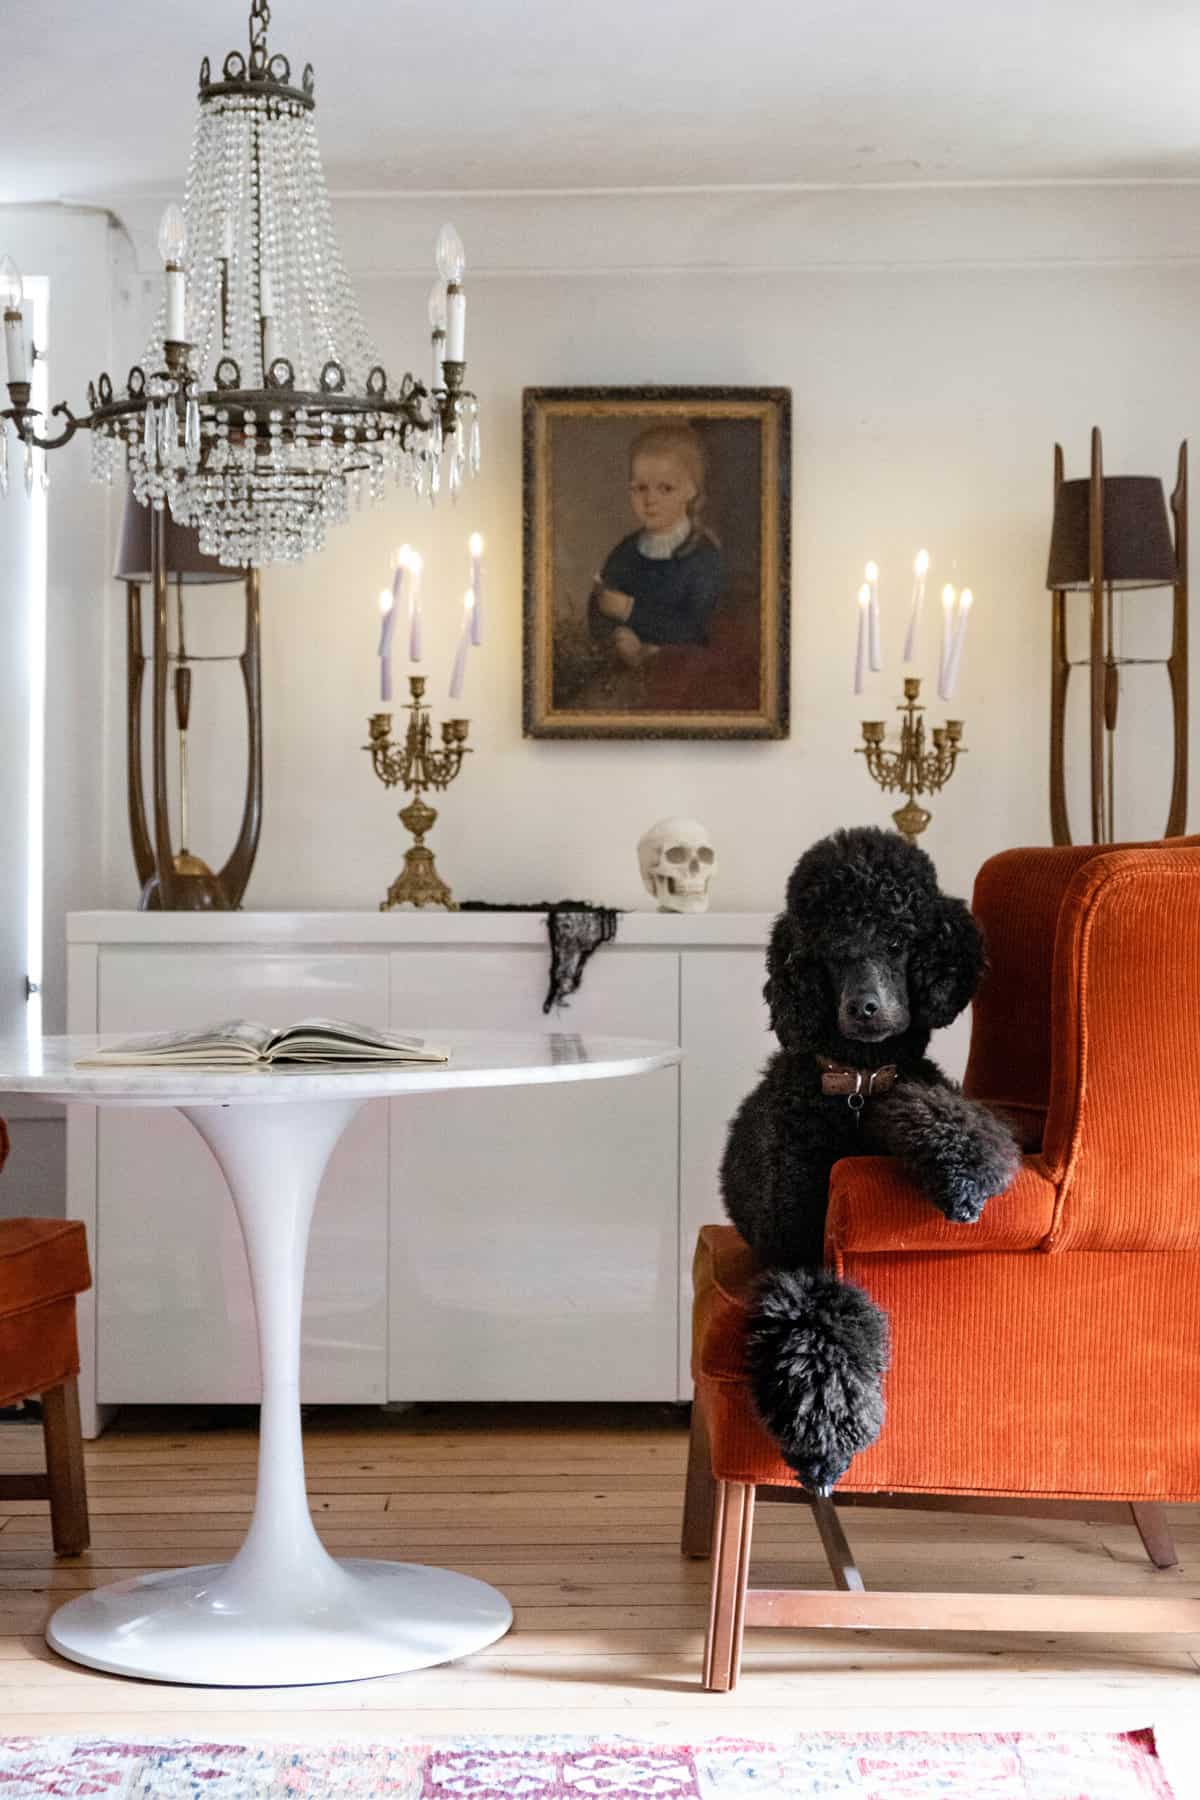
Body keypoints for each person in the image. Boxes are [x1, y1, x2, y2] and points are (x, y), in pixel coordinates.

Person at [589, 424, 723, 669]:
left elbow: (696, 630)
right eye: (640, 488)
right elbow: (599, 609)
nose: (650, 500)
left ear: (691, 490)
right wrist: (617, 637)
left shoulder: (704, 558)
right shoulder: (625, 552)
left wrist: (630, 611)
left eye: (665, 488)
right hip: (626, 674)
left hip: (685, 678)